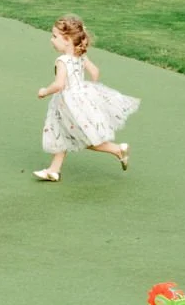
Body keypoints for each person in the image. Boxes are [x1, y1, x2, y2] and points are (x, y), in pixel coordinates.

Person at [34, 15, 139, 182]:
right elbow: (95, 72)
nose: (51, 39)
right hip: (76, 99)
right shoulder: (80, 55)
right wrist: (86, 91)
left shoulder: (62, 60)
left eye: (55, 36)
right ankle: (54, 170)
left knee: (82, 136)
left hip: (67, 103)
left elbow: (59, 84)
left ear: (67, 39)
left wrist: (44, 91)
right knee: (61, 133)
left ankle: (118, 150)